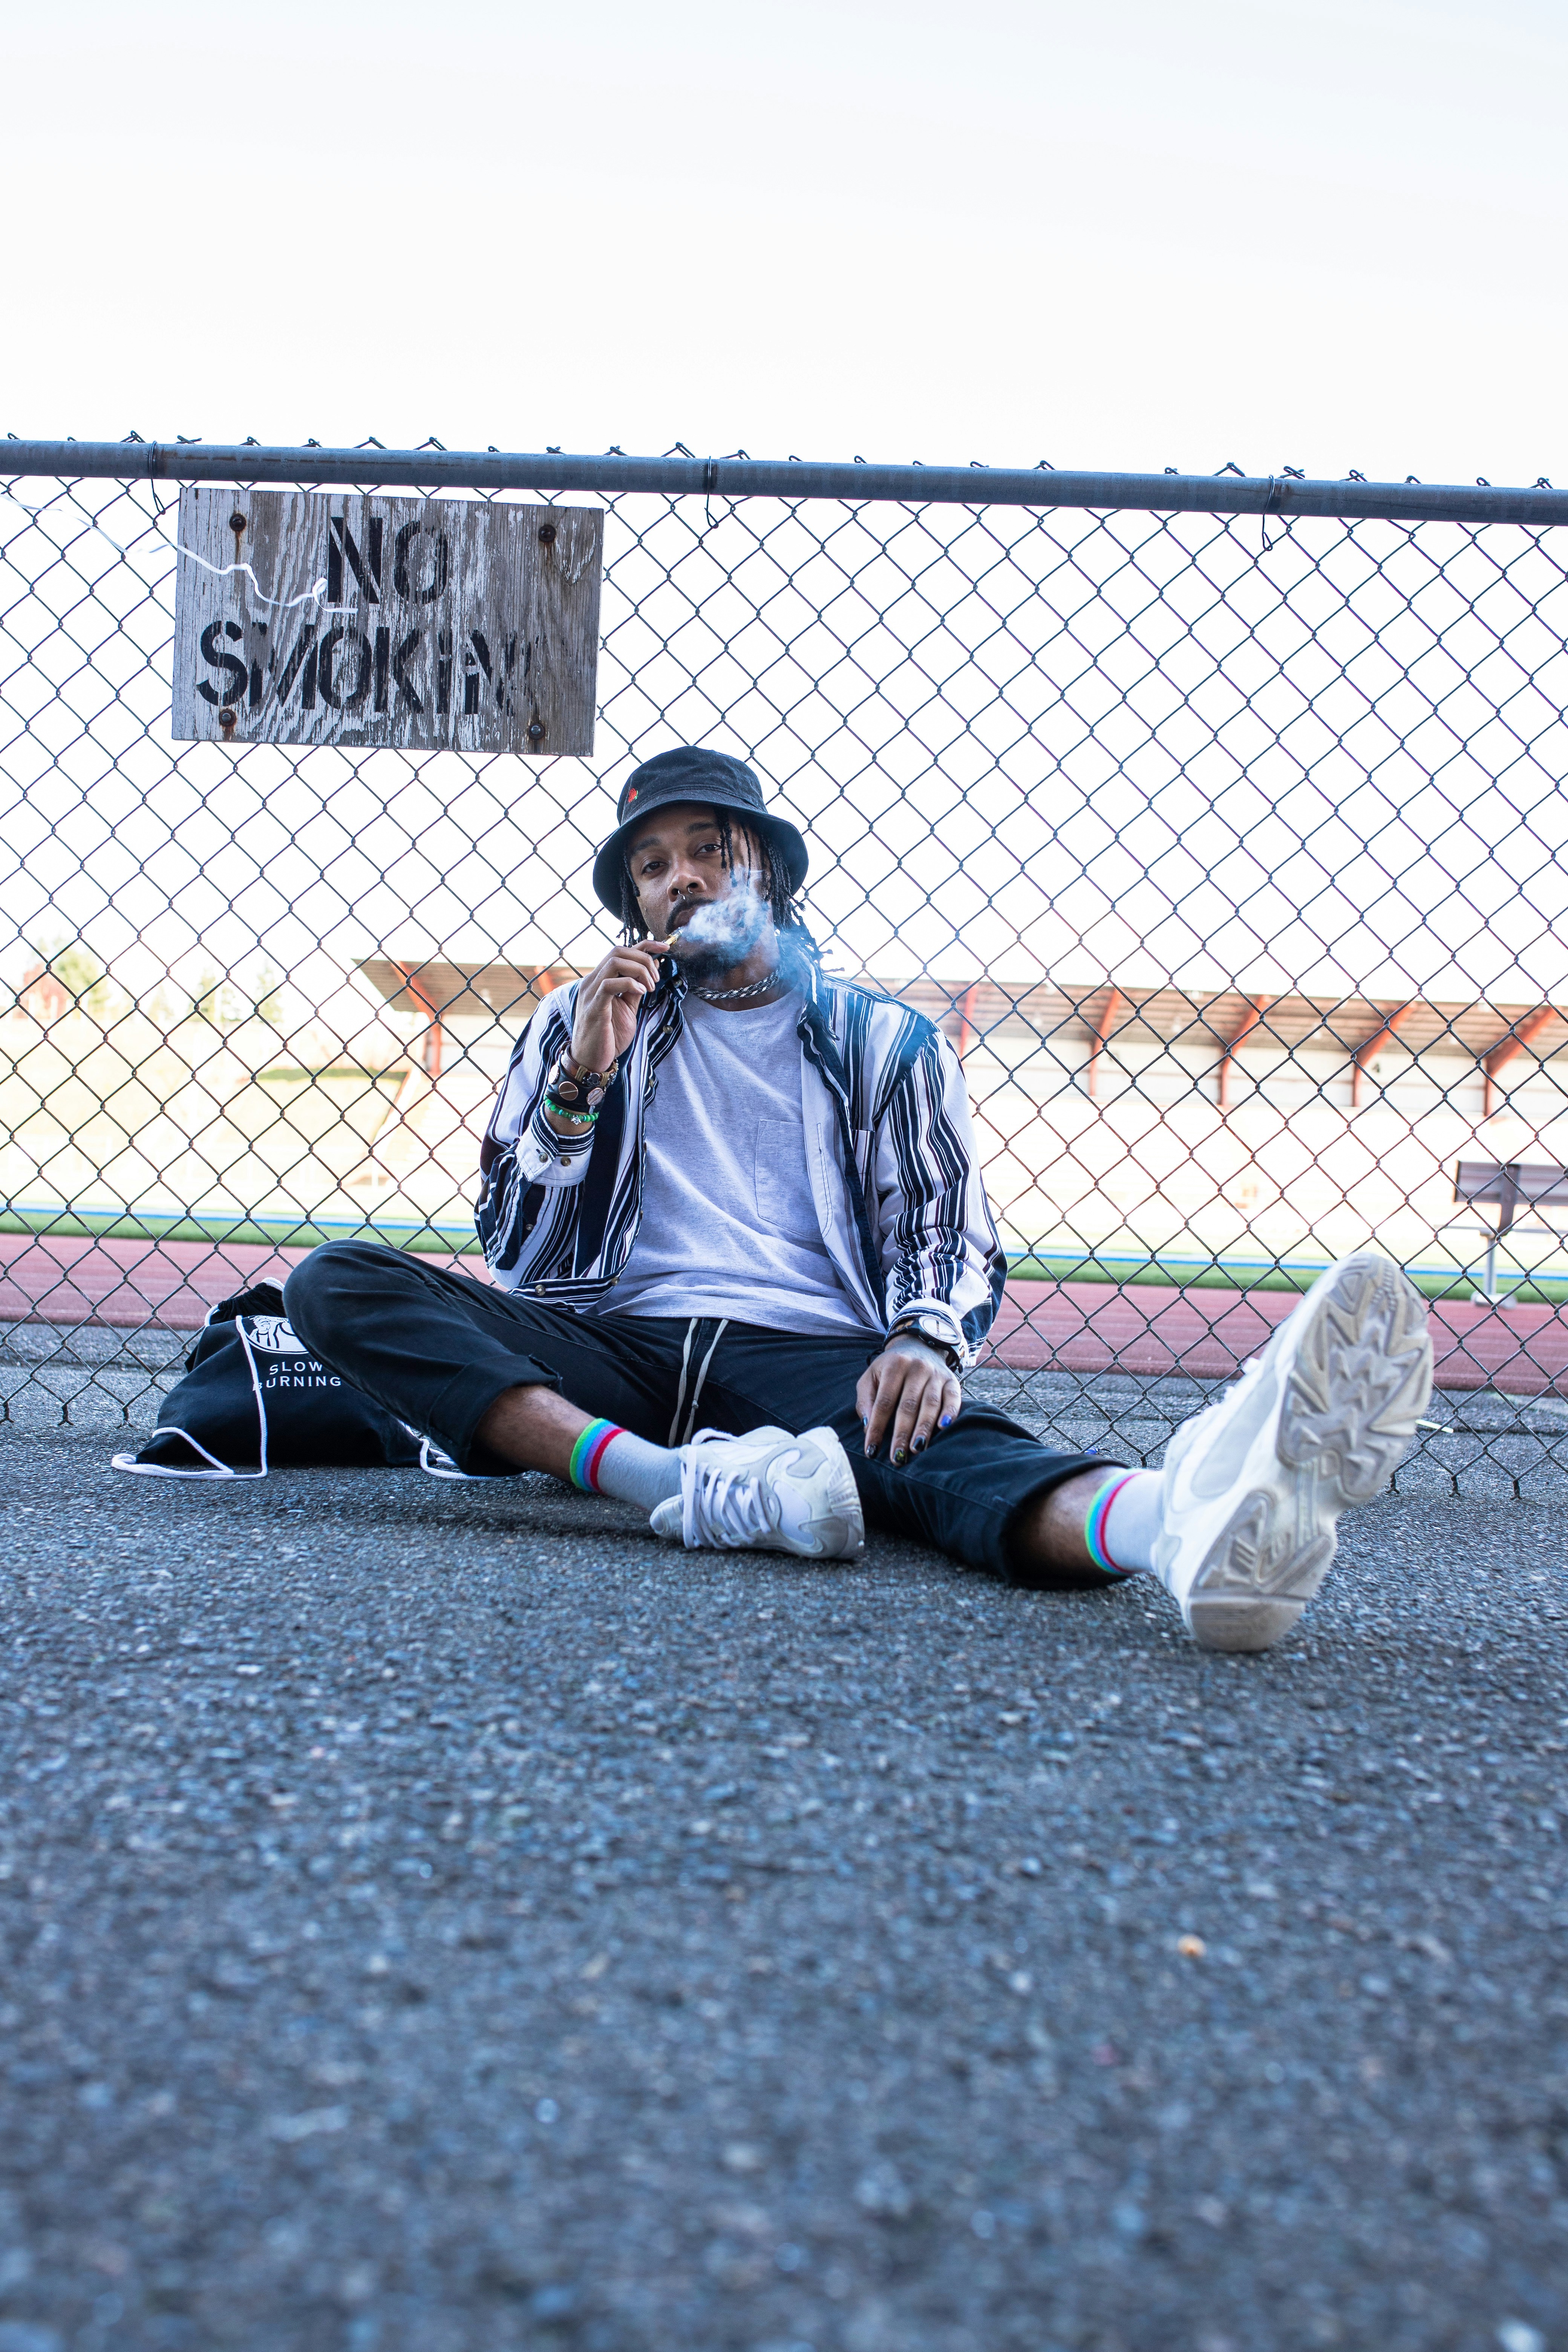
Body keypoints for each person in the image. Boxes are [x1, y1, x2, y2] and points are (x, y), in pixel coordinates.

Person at [284, 747, 1435, 1654]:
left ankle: (1182, 1526)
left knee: (944, 1451)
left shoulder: (884, 1041)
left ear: (765, 871)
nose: (680, 877)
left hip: (804, 1350)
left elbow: (942, 1225)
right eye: (651, 865)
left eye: (707, 848)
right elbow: (520, 1255)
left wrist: (925, 1338)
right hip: (615, 1351)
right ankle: (678, 1487)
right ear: (636, 901)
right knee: (337, 1280)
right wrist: (586, 1072)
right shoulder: (578, 1023)